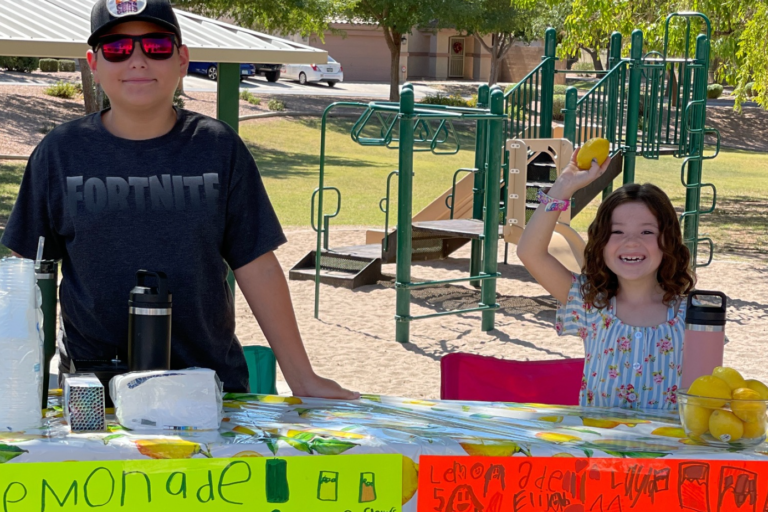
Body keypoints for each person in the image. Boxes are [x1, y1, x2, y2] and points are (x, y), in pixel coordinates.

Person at [1, 0, 357, 400]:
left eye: (156, 46)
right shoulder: (59, 153)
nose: (137, 60)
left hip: (209, 390)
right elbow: (23, 276)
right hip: (93, 398)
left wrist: (302, 377)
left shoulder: (219, 148)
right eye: (117, 49)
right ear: (93, 63)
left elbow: (256, 266)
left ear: (182, 59)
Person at [517, 150, 695, 409]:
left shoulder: (693, 315)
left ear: (668, 240)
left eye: (647, 231)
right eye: (617, 231)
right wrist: (563, 187)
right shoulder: (588, 302)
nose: (631, 242)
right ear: (600, 243)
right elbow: (529, 251)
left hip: (667, 450)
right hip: (598, 449)